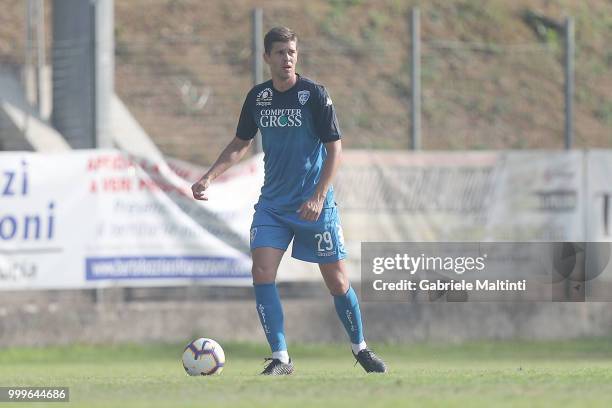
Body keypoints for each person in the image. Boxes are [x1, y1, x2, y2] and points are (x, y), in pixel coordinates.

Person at [192, 26, 386, 375]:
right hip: (273, 207)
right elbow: (240, 143)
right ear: (267, 57)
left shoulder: (314, 95)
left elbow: (334, 150)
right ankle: (281, 358)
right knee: (262, 272)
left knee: (338, 282)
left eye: (292, 52)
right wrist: (209, 176)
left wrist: (318, 195)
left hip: (315, 205)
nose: (287, 59)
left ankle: (361, 349)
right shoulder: (257, 99)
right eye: (280, 52)